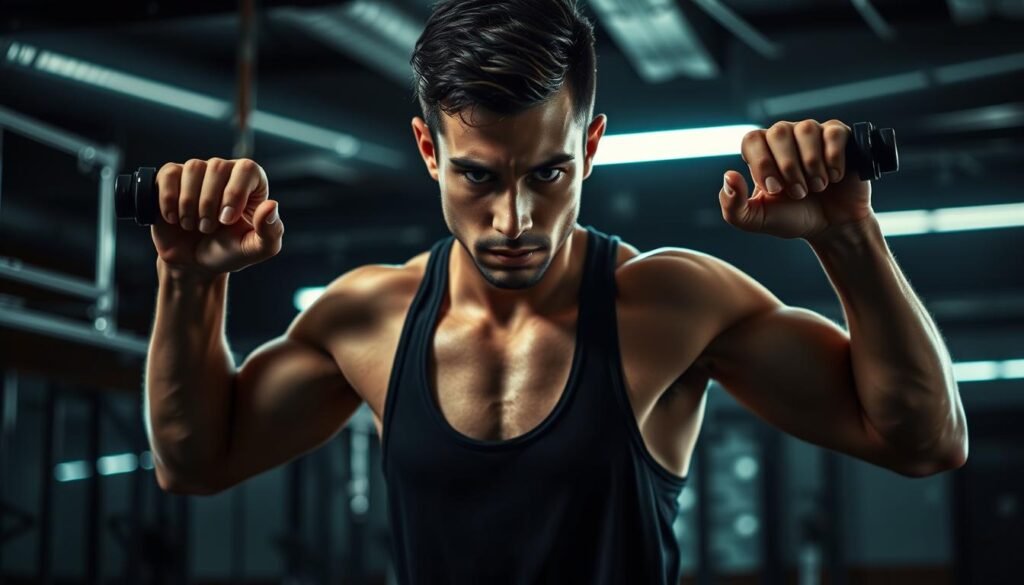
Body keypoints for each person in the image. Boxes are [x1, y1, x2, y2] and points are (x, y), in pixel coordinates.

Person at [143, 0, 968, 582]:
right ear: (429, 150)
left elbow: (926, 439)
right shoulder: (369, 317)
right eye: (478, 176)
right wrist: (187, 278)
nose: (515, 218)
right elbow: (194, 460)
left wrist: (847, 234)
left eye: (548, 173)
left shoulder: (672, 304)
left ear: (591, 144)